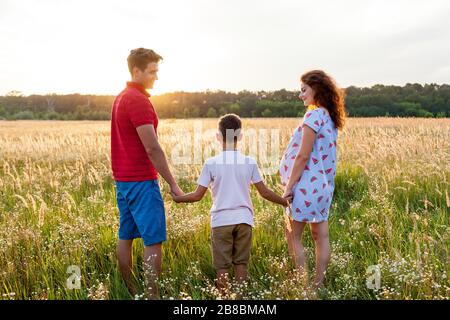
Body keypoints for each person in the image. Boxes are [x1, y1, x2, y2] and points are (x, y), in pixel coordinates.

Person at [171, 114, 287, 294]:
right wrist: (284, 202)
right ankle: (239, 299)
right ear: (240, 136)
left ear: (218, 136)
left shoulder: (211, 163)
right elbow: (264, 192)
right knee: (241, 263)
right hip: (244, 220)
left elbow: (197, 196)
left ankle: (225, 300)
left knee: (222, 266)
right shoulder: (249, 162)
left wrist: (178, 198)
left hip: (221, 221)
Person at [111, 48, 183, 299]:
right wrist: (173, 184)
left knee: (126, 235)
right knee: (153, 240)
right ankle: (152, 295)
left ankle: (130, 290)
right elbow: (152, 147)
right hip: (141, 179)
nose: (156, 77)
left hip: (123, 181)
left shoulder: (121, 97)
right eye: (152, 71)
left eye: (156, 71)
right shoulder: (138, 101)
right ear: (136, 71)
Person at [280, 70, 346, 289]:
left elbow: (303, 155)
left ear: (316, 88)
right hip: (324, 187)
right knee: (321, 236)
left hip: (305, 187)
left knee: (292, 234)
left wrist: (289, 186)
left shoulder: (313, 115)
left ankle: (302, 283)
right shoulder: (331, 117)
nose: (301, 95)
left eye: (303, 90)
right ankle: (318, 284)